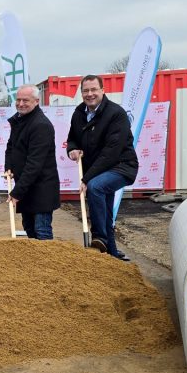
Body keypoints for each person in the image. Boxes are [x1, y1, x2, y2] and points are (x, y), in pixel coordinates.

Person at [66, 74, 138, 260]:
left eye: (93, 90)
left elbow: (111, 152)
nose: (90, 94)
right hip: (97, 170)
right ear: (81, 93)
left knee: (96, 187)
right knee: (104, 211)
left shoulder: (116, 114)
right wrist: (72, 149)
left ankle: (99, 237)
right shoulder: (79, 113)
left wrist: (86, 179)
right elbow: (72, 138)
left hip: (121, 166)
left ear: (102, 91)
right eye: (85, 91)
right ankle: (111, 254)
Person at [4, 85, 60, 239]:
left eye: (25, 100)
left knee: (41, 231)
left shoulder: (41, 125)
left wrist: (17, 192)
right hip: (26, 188)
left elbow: (34, 164)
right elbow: (11, 146)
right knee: (29, 230)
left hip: (41, 189)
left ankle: (47, 256)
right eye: (18, 100)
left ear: (36, 101)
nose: (20, 104)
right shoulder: (20, 121)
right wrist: (9, 166)